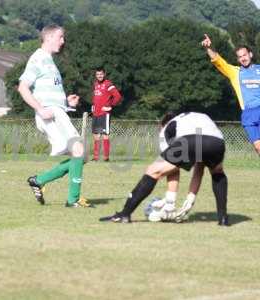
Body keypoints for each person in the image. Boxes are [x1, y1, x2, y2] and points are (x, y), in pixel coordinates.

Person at [100, 112, 229, 226]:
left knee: (153, 170)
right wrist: (190, 200)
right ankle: (223, 218)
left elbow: (172, 169)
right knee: (217, 173)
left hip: (190, 139)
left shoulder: (166, 128)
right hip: (217, 142)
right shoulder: (193, 118)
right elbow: (199, 168)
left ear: (162, 125)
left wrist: (170, 202)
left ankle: (124, 214)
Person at [18, 24, 93, 208]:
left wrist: (67, 103)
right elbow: (22, 87)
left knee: (82, 156)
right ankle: (72, 200)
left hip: (57, 112)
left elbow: (46, 91)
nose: (63, 41)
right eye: (60, 37)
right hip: (50, 114)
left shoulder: (49, 61)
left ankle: (39, 180)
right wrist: (40, 109)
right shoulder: (38, 58)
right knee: (79, 152)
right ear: (49, 37)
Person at [202, 34, 260, 155]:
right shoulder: (235, 72)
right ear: (238, 59)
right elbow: (218, 61)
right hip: (248, 114)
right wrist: (209, 48)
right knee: (258, 147)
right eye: (240, 57)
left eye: (244, 55)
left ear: (250, 55)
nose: (243, 58)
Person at [91, 67, 122, 161]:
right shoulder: (95, 84)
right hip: (96, 113)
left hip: (104, 114)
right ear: (96, 75)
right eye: (97, 74)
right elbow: (95, 97)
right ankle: (96, 157)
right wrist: (93, 105)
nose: (99, 76)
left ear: (104, 74)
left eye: (101, 74)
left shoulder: (108, 84)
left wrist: (110, 106)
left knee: (105, 134)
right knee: (96, 135)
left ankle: (106, 157)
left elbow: (118, 96)